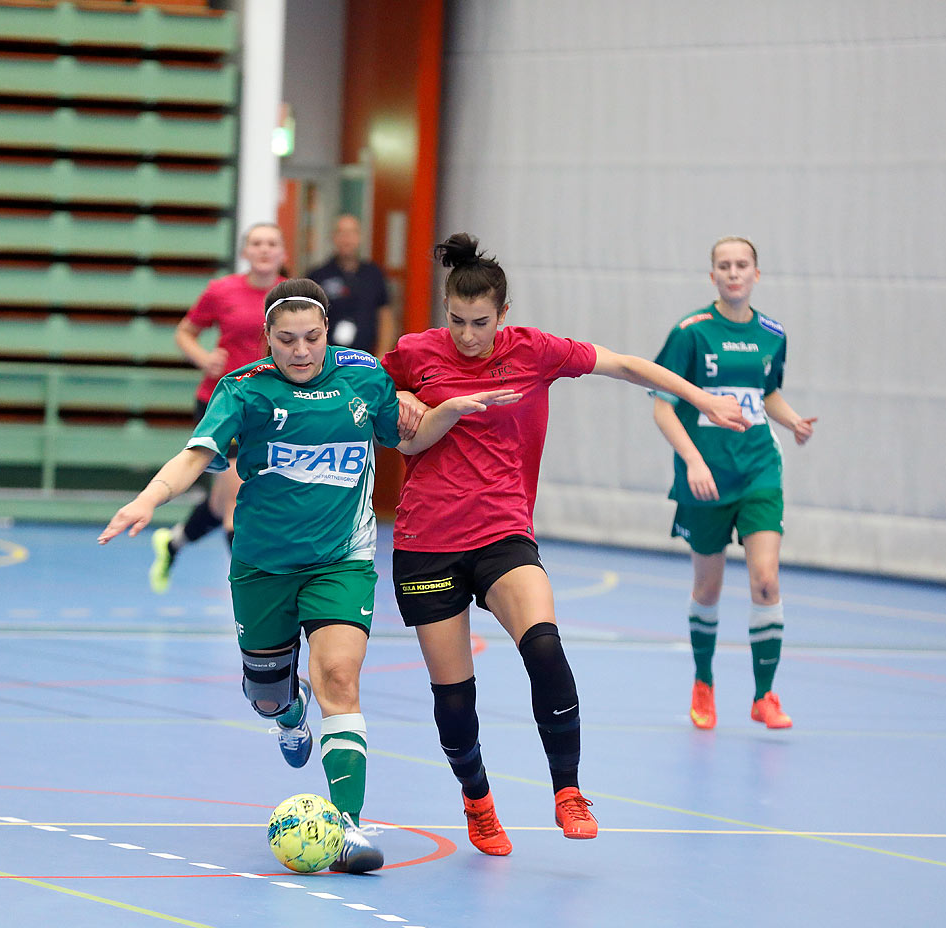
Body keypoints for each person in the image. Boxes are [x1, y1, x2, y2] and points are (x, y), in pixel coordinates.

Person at [99, 278, 519, 873]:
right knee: (268, 695)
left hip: (340, 558)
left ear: (327, 334)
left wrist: (444, 414)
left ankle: (347, 825)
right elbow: (195, 456)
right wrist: (150, 498)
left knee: (340, 677)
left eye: (312, 338)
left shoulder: (365, 378)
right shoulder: (243, 390)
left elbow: (407, 436)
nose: (301, 351)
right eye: (287, 339)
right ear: (267, 337)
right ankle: (288, 716)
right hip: (262, 566)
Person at [382, 232, 748, 857]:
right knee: (454, 693)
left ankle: (567, 790)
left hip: (502, 529)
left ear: (503, 314)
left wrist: (702, 399)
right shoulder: (417, 352)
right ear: (444, 310)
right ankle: (478, 802)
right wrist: (405, 394)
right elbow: (364, 393)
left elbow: (629, 366)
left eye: (480, 322)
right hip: (427, 539)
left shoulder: (535, 351)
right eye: (456, 320)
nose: (467, 335)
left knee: (545, 647)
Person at [650, 236, 817, 732]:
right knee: (708, 585)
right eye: (724, 266)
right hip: (705, 477)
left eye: (742, 265)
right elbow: (662, 407)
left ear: (756, 273)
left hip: (759, 469)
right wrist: (693, 461)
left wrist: (792, 422)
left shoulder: (772, 333)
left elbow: (765, 393)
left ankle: (764, 694)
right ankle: (704, 683)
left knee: (766, 580)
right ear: (713, 276)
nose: (734, 272)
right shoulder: (690, 332)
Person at [149, 222, 287, 594]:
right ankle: (252, 591)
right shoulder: (221, 290)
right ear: (245, 251)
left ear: (282, 253)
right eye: (256, 242)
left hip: (269, 409)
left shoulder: (291, 297)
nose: (263, 249)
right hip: (220, 405)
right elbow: (184, 331)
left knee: (218, 502)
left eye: (271, 243)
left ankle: (172, 543)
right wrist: (203, 358)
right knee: (236, 502)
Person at [307, 214, 396, 358]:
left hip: (367, 358)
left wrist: (381, 357)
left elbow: (385, 317)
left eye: (351, 233)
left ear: (360, 237)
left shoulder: (374, 274)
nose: (346, 238)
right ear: (333, 237)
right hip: (327, 361)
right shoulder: (317, 276)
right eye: (341, 233)